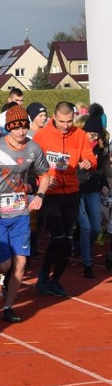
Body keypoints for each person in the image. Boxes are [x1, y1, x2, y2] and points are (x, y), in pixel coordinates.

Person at [0, 105, 50, 322]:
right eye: (16, 128)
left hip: (21, 213)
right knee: (3, 265)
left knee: (21, 262)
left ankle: (7, 307)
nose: (21, 132)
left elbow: (45, 174)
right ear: (8, 128)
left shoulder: (33, 148)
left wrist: (40, 195)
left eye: (24, 127)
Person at [32, 102, 97, 294]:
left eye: (69, 121)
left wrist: (88, 162)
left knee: (67, 241)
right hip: (50, 195)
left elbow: (90, 156)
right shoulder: (42, 135)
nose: (65, 125)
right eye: (61, 121)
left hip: (71, 193)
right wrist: (41, 180)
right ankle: (44, 274)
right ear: (54, 116)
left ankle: (56, 279)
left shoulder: (78, 135)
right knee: (58, 238)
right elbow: (33, 161)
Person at [78, 115, 109, 278]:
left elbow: (102, 168)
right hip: (76, 189)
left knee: (96, 227)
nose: (93, 137)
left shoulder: (100, 148)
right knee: (85, 227)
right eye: (91, 133)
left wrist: (105, 184)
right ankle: (87, 262)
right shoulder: (76, 143)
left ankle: (83, 249)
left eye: (96, 135)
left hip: (93, 190)